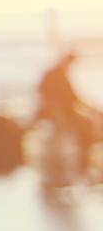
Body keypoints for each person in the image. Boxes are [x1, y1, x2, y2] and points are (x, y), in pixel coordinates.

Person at [35, 50, 99, 189]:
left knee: (83, 131)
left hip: (64, 115)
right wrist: (58, 116)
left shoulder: (62, 76)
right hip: (55, 117)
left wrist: (93, 108)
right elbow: (48, 98)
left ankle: (80, 168)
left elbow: (74, 98)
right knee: (61, 142)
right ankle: (70, 171)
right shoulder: (52, 76)